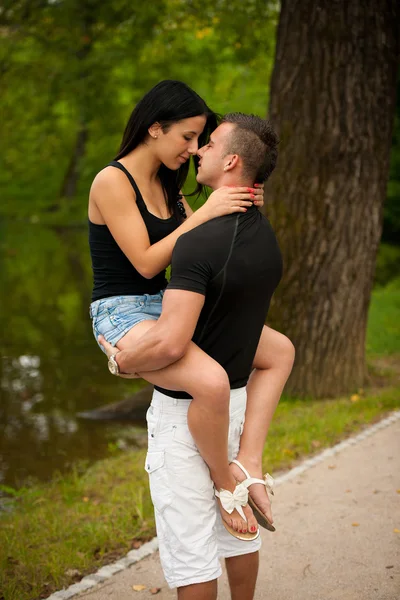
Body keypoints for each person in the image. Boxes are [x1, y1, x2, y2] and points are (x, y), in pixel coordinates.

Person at [99, 112, 292, 599]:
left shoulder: (189, 221)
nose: (197, 148)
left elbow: (169, 342)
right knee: (234, 530)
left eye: (205, 142)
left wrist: (123, 361)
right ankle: (242, 468)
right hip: (221, 389)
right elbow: (147, 262)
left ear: (230, 162)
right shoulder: (260, 236)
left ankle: (234, 474)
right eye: (191, 138)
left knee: (192, 551)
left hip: (186, 399)